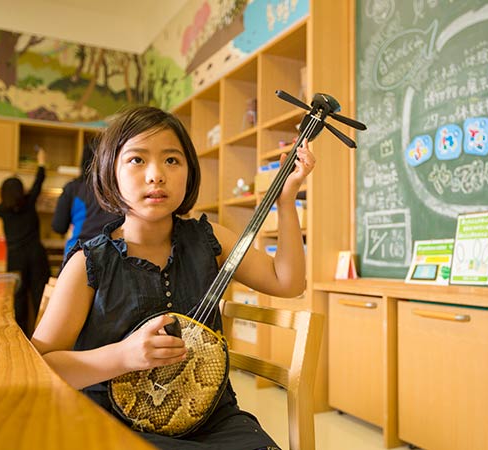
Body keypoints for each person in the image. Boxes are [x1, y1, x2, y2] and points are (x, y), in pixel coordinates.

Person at [31, 105, 315, 450]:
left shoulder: (211, 239)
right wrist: (123, 356)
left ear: (189, 172)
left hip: (213, 418)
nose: (156, 175)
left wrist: (286, 203)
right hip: (116, 423)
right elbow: (41, 365)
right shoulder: (89, 262)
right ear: (111, 172)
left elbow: (287, 283)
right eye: (137, 160)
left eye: (171, 160)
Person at [0, 147, 51, 335]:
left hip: (15, 258)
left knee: (17, 300)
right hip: (36, 254)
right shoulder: (28, 203)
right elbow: (38, 182)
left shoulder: (1, 211)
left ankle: (19, 338)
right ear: (21, 191)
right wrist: (41, 162)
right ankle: (42, 338)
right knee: (40, 297)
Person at [51, 141, 119, 259]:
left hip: (78, 254)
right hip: (113, 257)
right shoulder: (120, 188)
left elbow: (59, 226)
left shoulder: (73, 188)